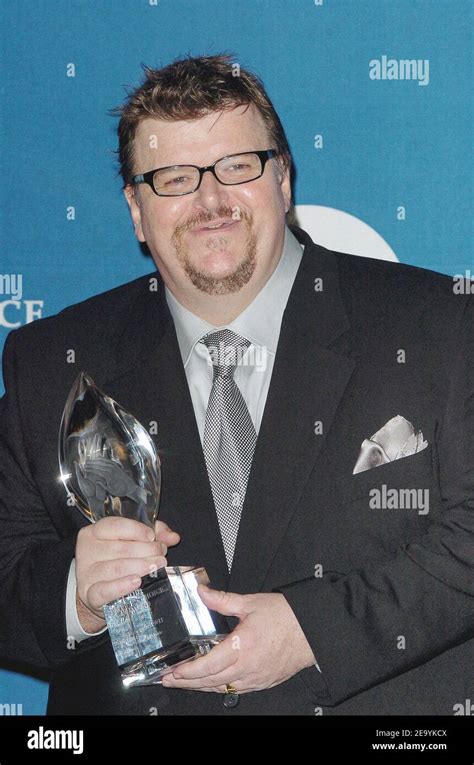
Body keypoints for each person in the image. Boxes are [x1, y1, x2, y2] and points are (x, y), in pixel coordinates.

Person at [0, 54, 472, 717]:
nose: (210, 200)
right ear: (137, 211)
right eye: (173, 177)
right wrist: (80, 591)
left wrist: (315, 632)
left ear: (283, 180)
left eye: (238, 166)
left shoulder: (441, 325)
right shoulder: (50, 362)